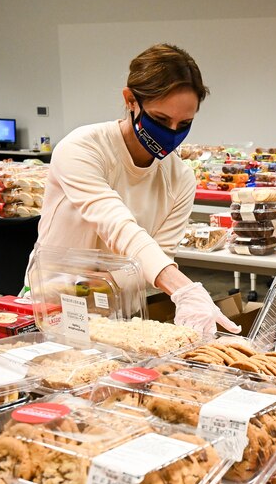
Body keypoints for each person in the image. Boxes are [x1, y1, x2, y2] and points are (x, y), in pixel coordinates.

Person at [35, 43, 238, 335]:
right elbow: (115, 224)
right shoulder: (82, 148)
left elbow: (158, 258)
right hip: (51, 309)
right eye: (160, 120)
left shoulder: (180, 178)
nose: (171, 133)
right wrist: (182, 287)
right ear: (131, 100)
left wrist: (102, 280)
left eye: (185, 123)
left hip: (119, 320)